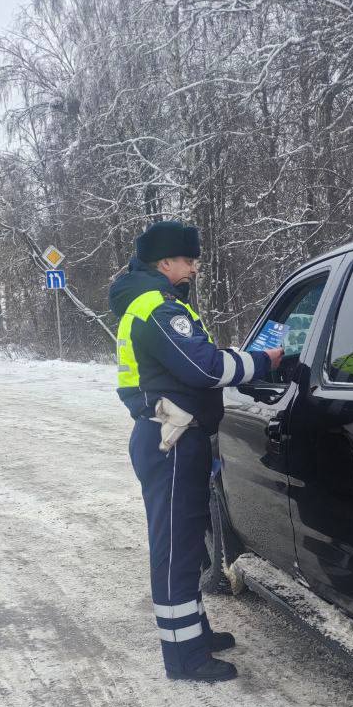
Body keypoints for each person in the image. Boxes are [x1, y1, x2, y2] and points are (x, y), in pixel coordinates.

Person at [110, 220, 282, 682]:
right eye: (188, 260)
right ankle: (184, 658)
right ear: (165, 262)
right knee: (174, 549)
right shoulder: (156, 307)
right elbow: (201, 366)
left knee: (186, 545)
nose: (194, 268)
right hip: (171, 440)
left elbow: (192, 362)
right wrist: (264, 361)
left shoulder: (158, 303)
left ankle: (194, 633)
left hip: (174, 437)